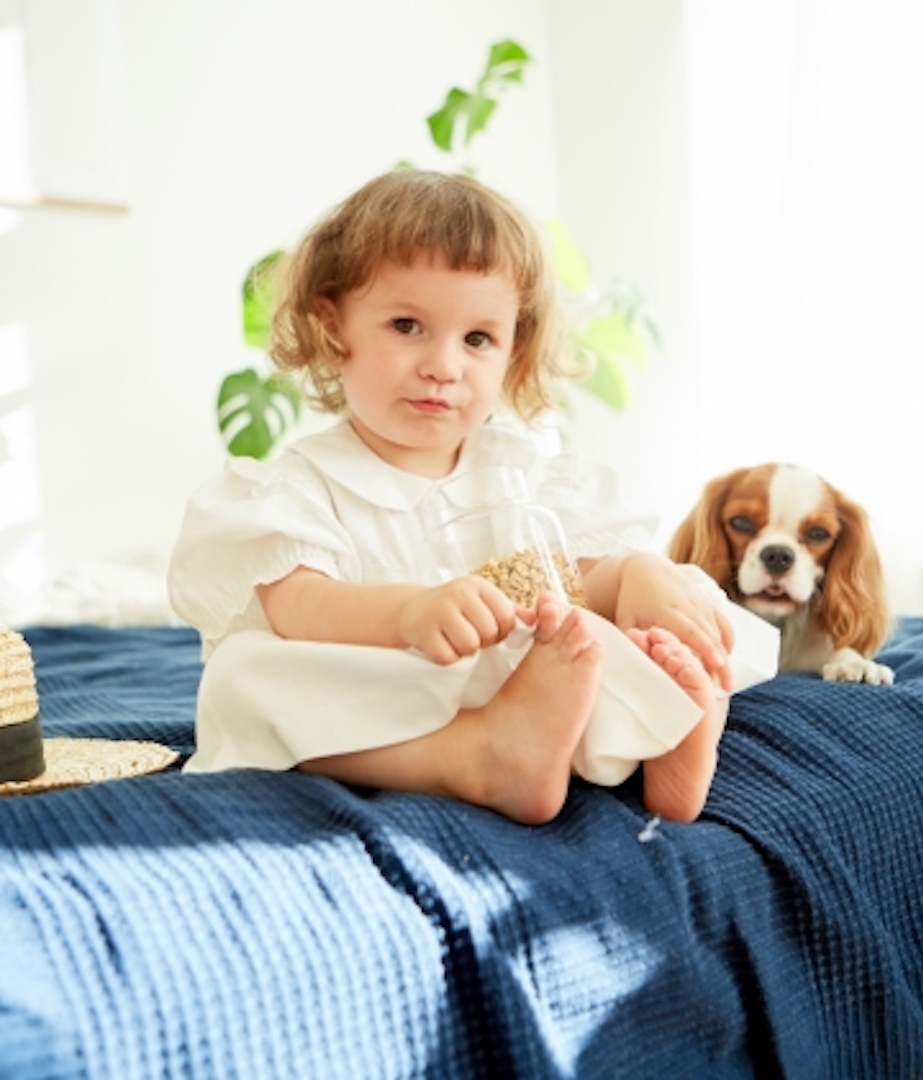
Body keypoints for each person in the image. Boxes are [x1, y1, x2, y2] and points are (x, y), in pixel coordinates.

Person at [170, 170, 767, 826]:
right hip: (393, 693)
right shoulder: (301, 485)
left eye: (477, 339)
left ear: (514, 349)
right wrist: (409, 615)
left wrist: (638, 578)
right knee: (243, 675)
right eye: (407, 325)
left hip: (533, 675)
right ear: (334, 326)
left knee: (684, 596)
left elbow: (575, 578)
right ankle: (472, 753)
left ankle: (679, 724)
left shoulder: (522, 473)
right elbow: (300, 606)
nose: (443, 366)